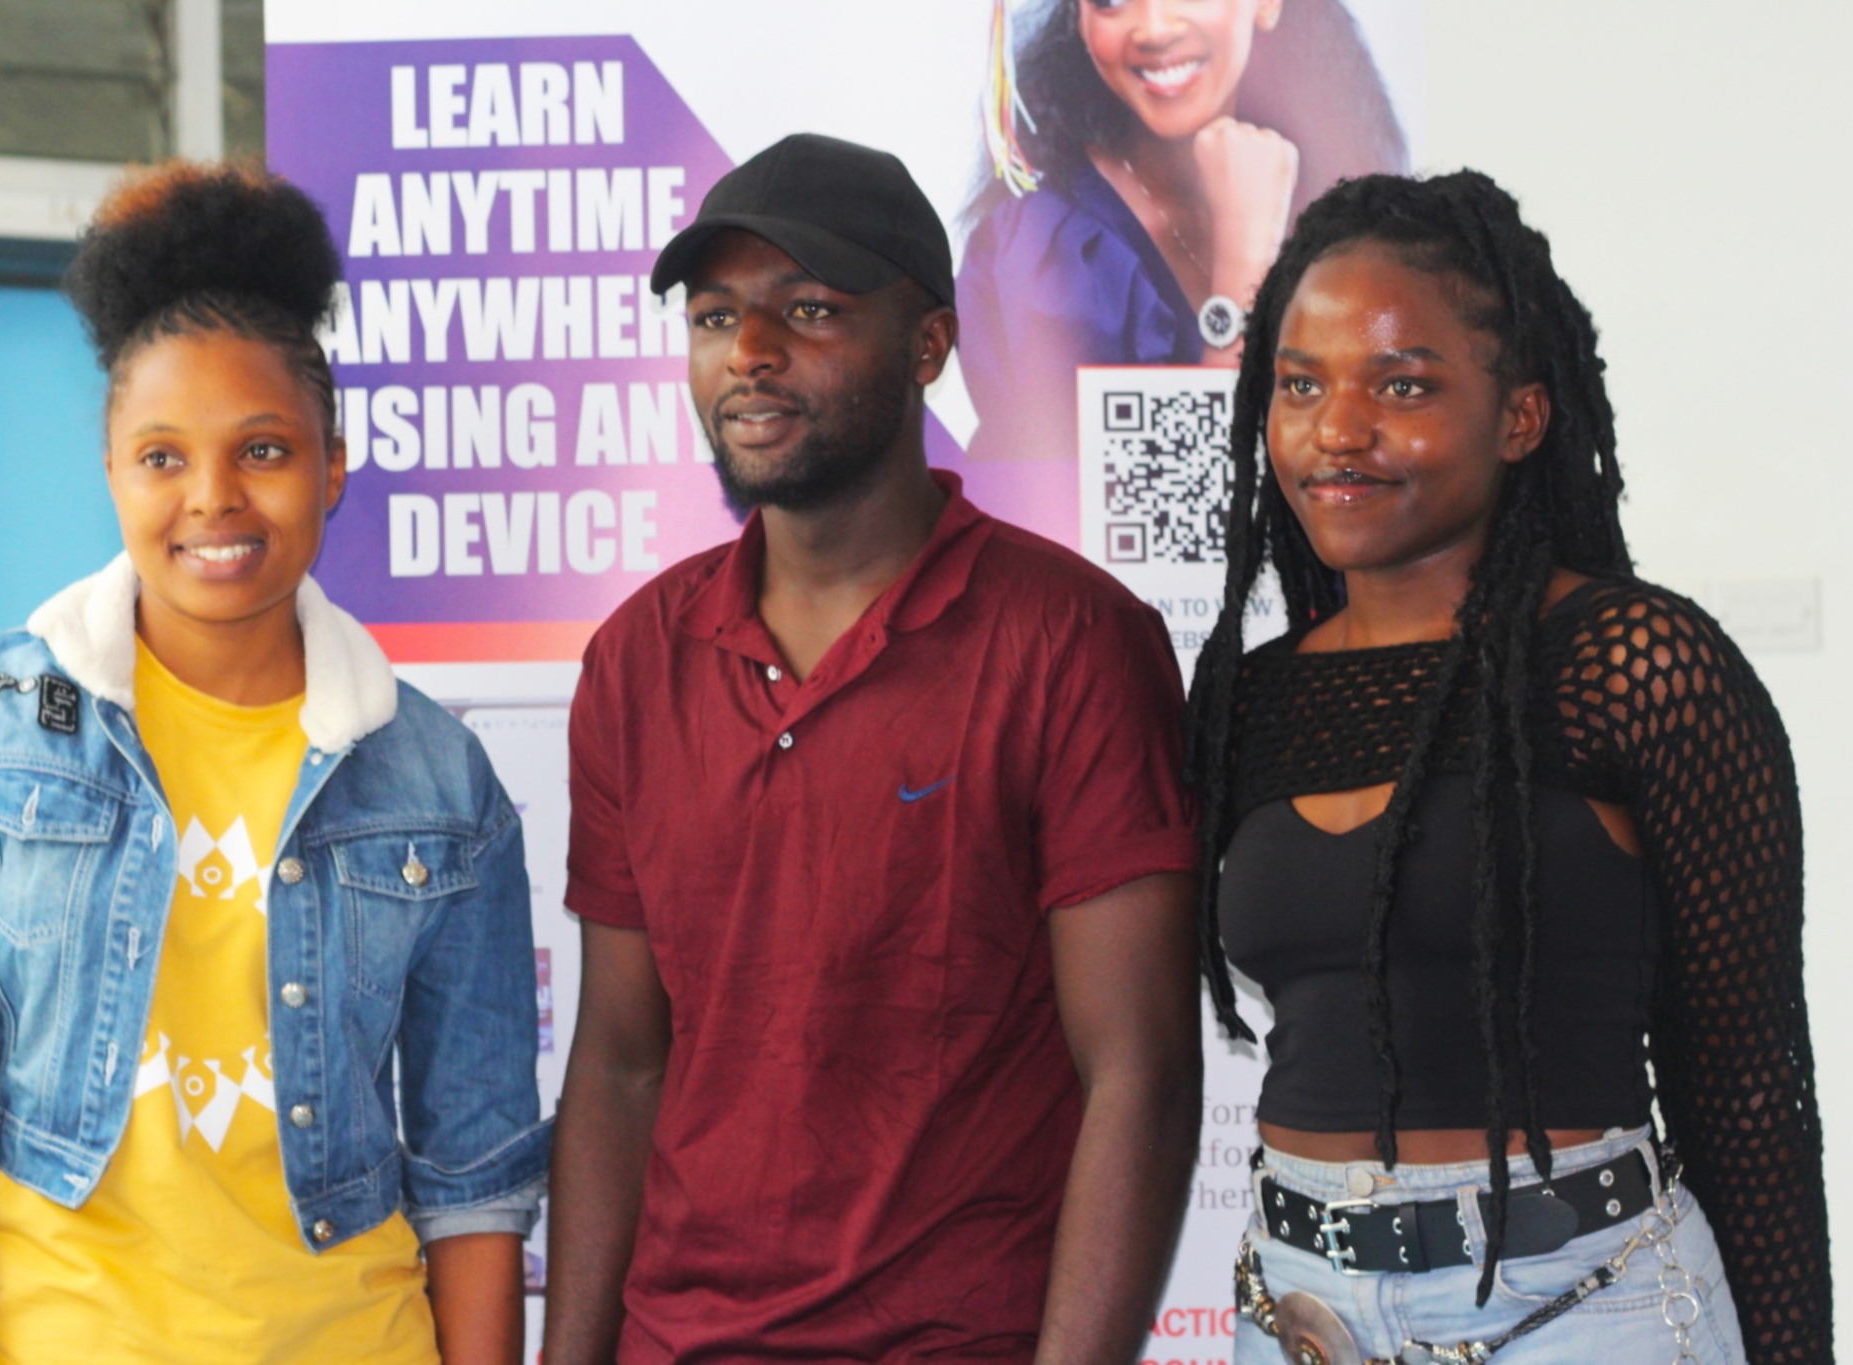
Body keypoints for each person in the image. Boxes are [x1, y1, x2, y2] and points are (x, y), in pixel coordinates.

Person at [0, 163, 549, 1365]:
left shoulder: (438, 778)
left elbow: (474, 1173)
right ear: (110, 469)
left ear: (332, 466)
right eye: (162, 457)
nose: (212, 498)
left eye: (262, 449)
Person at [543, 132, 1204, 1363]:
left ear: (928, 345)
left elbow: (1141, 1077)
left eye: (808, 310)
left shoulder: (1070, 640)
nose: (748, 352)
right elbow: (621, 1064)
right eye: (714, 317)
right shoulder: (636, 656)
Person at [1186, 169, 1829, 1362]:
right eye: (1300, 384)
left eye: (1401, 385)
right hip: (1298, 1310)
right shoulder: (1250, 696)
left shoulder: (1633, 663)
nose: (1337, 430)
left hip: (1583, 1306)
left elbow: (1746, 1084)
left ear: (1520, 417)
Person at [957, 0, 1406, 469]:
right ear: (1082, 21)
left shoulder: (1337, 198)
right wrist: (1243, 265)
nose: (1154, 29)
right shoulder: (1048, 256)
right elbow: (1179, 495)